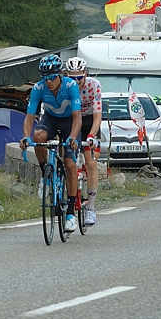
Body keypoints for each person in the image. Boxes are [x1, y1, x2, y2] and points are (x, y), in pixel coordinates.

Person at [20, 54, 82, 232]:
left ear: (60, 75)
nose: (49, 82)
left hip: (70, 121)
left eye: (52, 77)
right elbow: (30, 116)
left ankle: (70, 213)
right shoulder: (38, 88)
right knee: (38, 136)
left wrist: (73, 137)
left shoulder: (71, 86)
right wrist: (26, 137)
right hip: (51, 119)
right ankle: (45, 177)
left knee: (70, 163)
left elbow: (77, 116)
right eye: (45, 78)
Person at [65, 56, 102, 226]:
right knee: (68, 160)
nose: (76, 81)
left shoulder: (94, 85)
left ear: (85, 74)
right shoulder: (65, 86)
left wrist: (91, 136)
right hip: (73, 121)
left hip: (89, 123)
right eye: (72, 77)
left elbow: (97, 115)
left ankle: (91, 209)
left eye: (79, 77)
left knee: (91, 162)